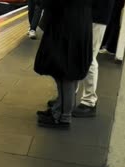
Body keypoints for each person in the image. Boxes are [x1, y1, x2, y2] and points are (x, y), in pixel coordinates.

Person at [35, 0, 93, 128]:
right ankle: (59, 109)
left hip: (67, 28)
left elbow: (52, 4)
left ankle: (62, 117)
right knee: (67, 72)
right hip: (75, 24)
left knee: (63, 73)